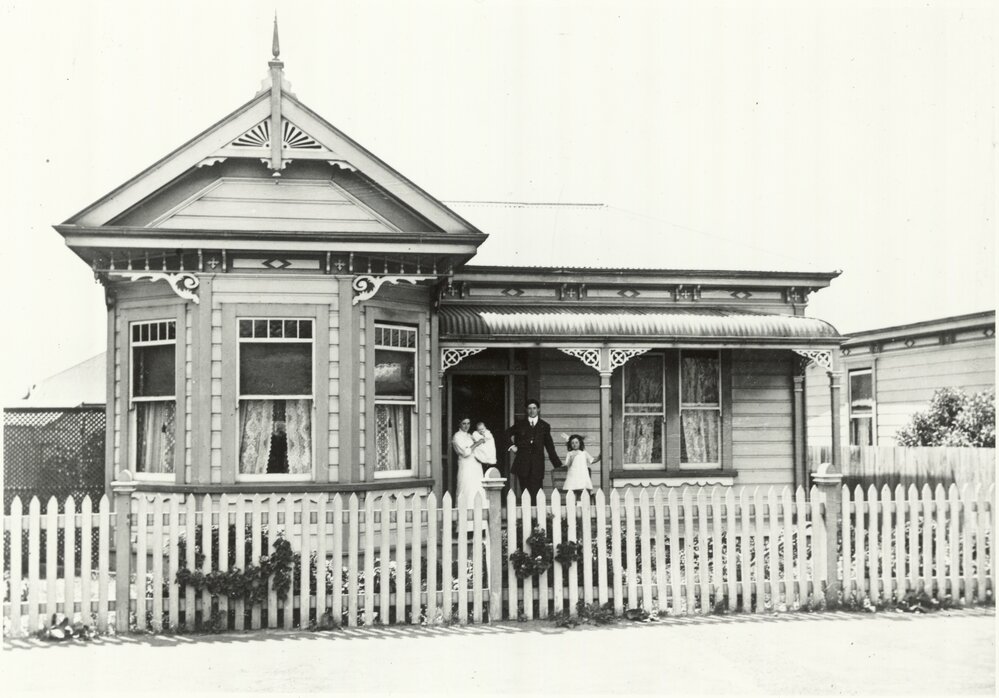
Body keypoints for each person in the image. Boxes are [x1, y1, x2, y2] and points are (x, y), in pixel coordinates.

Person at [505, 398, 561, 503]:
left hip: (537, 464)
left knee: (537, 492)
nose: (532, 411)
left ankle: (537, 518)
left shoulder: (544, 426)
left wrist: (557, 464)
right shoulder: (520, 424)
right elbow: (506, 434)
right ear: (526, 410)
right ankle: (527, 518)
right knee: (525, 492)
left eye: (534, 408)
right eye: (529, 408)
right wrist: (512, 447)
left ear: (538, 410)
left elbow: (549, 446)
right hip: (523, 463)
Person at [452, 417, 485, 504]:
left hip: (476, 465)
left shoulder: (470, 436)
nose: (466, 426)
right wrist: (477, 443)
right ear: (459, 424)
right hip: (466, 466)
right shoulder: (457, 436)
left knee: (478, 487)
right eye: (464, 423)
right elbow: (465, 452)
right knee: (467, 487)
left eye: (468, 423)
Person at [562, 433, 600, 499]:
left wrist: (599, 457)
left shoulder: (584, 453)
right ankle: (574, 505)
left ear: (580, 443)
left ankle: (580, 504)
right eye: (572, 443)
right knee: (572, 491)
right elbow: (567, 464)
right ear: (570, 444)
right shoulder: (570, 453)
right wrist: (571, 458)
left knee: (582, 491)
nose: (574, 444)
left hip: (582, 474)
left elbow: (591, 460)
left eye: (576, 442)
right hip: (573, 474)